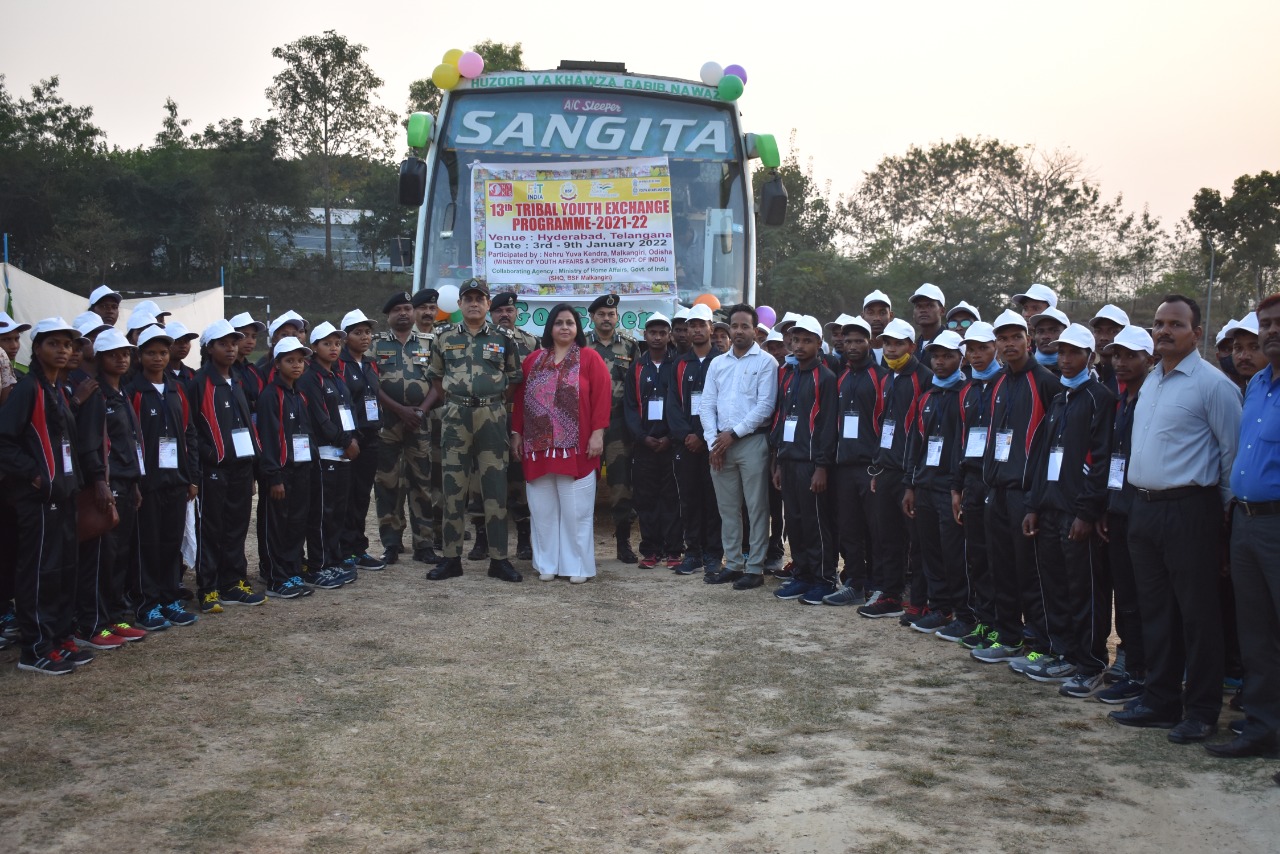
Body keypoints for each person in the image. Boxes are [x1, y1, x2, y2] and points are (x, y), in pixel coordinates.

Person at [1109, 295, 1242, 744]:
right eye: (1159, 324)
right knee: (1157, 611)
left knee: (1197, 615)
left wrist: (1220, 519)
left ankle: (1202, 711)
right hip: (1144, 508)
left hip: (1191, 509)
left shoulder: (1213, 385)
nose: (1164, 331)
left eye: (1175, 324)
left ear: (1197, 333)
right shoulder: (1152, 382)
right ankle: (1160, 699)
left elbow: (1231, 456)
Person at [1020, 323, 1115, 694]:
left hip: (1077, 514)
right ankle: (1063, 653)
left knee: (1085, 590)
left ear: (1090, 356)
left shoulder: (1099, 398)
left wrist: (1087, 512)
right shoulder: (1060, 397)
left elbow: (1102, 460)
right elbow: (1043, 457)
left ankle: (1089, 663)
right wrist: (1033, 505)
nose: (1065, 360)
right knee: (1056, 587)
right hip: (1050, 509)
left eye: (1074, 353)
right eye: (1061, 353)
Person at [1210, 293, 1280, 758]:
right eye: (1265, 324)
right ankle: (1263, 725)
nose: (1271, 331)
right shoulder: (1256, 386)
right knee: (1256, 632)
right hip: (1247, 521)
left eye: (1277, 323)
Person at [970, 310, 1061, 663]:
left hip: (1028, 494)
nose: (1009, 345)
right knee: (1001, 568)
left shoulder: (1046, 381)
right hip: (998, 491)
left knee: (1031, 574)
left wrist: (1038, 498)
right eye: (1002, 339)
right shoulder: (999, 384)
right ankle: (1007, 637)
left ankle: (1040, 644)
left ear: (1029, 339)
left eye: (1015, 337)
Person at [0, 318, 87, 673]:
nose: (63, 350)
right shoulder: (28, 389)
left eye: (68, 345)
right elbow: (4, 441)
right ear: (38, 349)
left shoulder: (57, 390)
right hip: (36, 499)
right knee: (39, 571)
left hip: (63, 495)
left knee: (64, 569)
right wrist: (35, 476)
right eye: (54, 344)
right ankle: (34, 649)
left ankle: (58, 637)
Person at [422, 279, 524, 583]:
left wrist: (492, 402)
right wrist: (458, 401)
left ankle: (499, 559)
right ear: (460, 304)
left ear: (488, 304)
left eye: (480, 298)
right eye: (468, 298)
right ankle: (451, 558)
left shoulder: (504, 338)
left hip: (492, 416)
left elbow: (514, 379)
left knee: (495, 488)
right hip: (456, 416)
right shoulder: (443, 337)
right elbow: (436, 378)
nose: (474, 303)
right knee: (453, 488)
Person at [510, 304, 611, 582]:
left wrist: (598, 433)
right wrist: (516, 433)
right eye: (559, 323)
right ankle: (546, 565)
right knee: (542, 512)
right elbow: (519, 401)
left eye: (570, 323)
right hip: (538, 448)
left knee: (575, 513)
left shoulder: (590, 359)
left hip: (577, 449)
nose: (565, 327)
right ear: (550, 328)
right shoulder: (533, 360)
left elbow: (602, 398)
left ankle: (577, 567)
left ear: (577, 329)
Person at [71, 328, 148, 647]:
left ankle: (114, 617)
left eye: (126, 353)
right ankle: (93, 624)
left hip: (127, 483)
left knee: (119, 556)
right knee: (101, 558)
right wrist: (100, 482)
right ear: (100, 358)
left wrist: (136, 482)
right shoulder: (96, 395)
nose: (121, 359)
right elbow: (90, 444)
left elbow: (129, 442)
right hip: (107, 485)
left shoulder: (122, 394)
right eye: (114, 354)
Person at [1094, 324, 1156, 706]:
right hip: (1118, 508)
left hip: (1146, 510)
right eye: (1117, 355)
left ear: (1149, 359)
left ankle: (1145, 670)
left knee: (1145, 596)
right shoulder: (1120, 400)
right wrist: (1105, 505)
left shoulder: (1151, 399)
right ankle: (1130, 664)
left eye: (1132, 355)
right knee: (1126, 596)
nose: (1122, 362)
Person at [188, 319, 266, 609]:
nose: (231, 348)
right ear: (210, 348)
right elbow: (192, 429)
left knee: (237, 526)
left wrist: (252, 459)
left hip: (241, 467)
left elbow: (247, 423)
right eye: (224, 343)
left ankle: (233, 582)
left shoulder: (239, 379)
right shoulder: (199, 382)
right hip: (214, 470)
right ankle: (207, 587)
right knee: (211, 529)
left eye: (234, 343)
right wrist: (210, 458)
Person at [700, 303, 778, 590]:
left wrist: (733, 434)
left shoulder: (766, 362)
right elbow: (707, 405)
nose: (739, 331)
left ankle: (755, 567)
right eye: (735, 326)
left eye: (745, 326)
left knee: (757, 507)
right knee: (728, 508)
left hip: (751, 442)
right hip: (720, 445)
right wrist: (714, 443)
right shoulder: (718, 363)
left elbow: (765, 407)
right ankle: (732, 563)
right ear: (728, 329)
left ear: (755, 330)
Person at [127, 325, 201, 628]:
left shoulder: (176, 389)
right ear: (140, 356)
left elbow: (189, 433)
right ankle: (147, 604)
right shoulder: (133, 391)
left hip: (177, 482)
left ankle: (170, 597)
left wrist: (192, 477)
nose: (158, 358)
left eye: (162, 352)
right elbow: (129, 440)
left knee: (171, 542)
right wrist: (135, 481)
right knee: (148, 544)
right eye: (151, 353)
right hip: (148, 484)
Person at [859, 318, 932, 620]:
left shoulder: (925, 377)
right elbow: (882, 425)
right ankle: (890, 594)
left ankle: (920, 601)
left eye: (898, 343)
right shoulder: (888, 377)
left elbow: (924, 432)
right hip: (886, 470)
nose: (891, 349)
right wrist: (877, 467)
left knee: (917, 542)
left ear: (912, 346)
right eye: (887, 343)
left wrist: (912, 478)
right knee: (886, 537)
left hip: (911, 474)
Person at [901, 331, 969, 633]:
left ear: (960, 358)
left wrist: (958, 486)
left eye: (947, 356)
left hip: (950, 488)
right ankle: (939, 608)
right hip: (925, 485)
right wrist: (911, 484)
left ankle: (962, 611)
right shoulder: (927, 396)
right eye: (936, 356)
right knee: (929, 551)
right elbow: (916, 442)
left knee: (954, 554)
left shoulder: (966, 393)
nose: (940, 362)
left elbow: (965, 446)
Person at [769, 315, 838, 603]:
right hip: (789, 460)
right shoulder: (788, 374)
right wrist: (777, 462)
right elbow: (781, 418)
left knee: (815, 522)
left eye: (806, 340)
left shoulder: (826, 378)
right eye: (795, 340)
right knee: (794, 521)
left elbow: (827, 426)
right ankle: (802, 574)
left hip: (812, 464)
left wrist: (821, 466)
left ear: (819, 344)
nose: (799, 345)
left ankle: (824, 578)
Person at [824, 317, 886, 606]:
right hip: (844, 466)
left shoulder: (882, 376)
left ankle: (880, 584)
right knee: (848, 528)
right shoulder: (842, 376)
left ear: (870, 342)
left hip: (872, 466)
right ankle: (855, 583)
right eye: (847, 341)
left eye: (858, 341)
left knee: (877, 529)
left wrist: (881, 462)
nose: (851, 346)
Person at [371, 292, 436, 565]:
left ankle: (424, 544)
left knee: (422, 482)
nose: (404, 313)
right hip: (388, 423)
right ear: (389, 315)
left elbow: (439, 382)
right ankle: (391, 543)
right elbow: (371, 384)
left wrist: (420, 410)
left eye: (408, 308)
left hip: (420, 423)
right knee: (387, 483)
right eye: (397, 309)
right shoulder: (376, 345)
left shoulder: (430, 343)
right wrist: (400, 410)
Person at [949, 322, 1002, 646]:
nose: (976, 354)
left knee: (998, 559)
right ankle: (984, 621)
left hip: (996, 483)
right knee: (977, 557)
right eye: (971, 349)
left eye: (982, 348)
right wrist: (957, 487)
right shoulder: (967, 390)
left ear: (994, 347)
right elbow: (960, 441)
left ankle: (1002, 625)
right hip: (971, 483)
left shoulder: (1003, 383)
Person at [297, 321, 360, 589]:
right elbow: (320, 419)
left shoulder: (335, 375)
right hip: (325, 454)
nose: (334, 348)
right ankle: (318, 564)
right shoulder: (310, 377)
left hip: (342, 453)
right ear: (314, 347)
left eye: (337, 343)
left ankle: (334, 560)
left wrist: (352, 438)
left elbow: (348, 410)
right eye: (327, 343)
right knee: (323, 512)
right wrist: (345, 440)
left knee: (337, 512)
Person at [256, 337, 316, 599]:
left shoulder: (299, 394)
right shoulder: (271, 395)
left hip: (301, 470)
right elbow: (268, 437)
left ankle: (291, 570)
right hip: (281, 473)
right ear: (277, 363)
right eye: (289, 360)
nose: (296, 366)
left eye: (300, 361)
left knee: (296, 523)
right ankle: (275, 576)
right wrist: (274, 476)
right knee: (277, 525)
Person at [667, 303, 724, 576]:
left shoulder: (723, 361)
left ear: (711, 328)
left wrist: (703, 437)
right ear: (687, 331)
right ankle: (693, 553)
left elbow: (725, 404)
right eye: (692, 325)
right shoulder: (679, 363)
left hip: (713, 444)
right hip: (685, 444)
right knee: (689, 499)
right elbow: (672, 405)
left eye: (702, 324)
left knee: (713, 499)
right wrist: (687, 436)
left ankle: (714, 553)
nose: (697, 330)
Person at [624, 313, 683, 569]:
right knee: (646, 499)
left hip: (672, 445)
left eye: (662, 333)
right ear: (644, 336)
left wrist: (670, 437)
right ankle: (650, 551)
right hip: (644, 445)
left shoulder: (679, 364)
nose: (657, 337)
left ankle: (673, 550)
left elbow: (682, 405)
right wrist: (642, 437)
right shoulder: (636, 368)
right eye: (652, 333)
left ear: (669, 336)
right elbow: (629, 407)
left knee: (672, 498)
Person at [586, 293, 641, 563]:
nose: (606, 319)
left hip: (619, 424)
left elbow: (637, 388)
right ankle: (582, 543)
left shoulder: (630, 347)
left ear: (617, 317)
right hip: (588, 425)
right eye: (601, 315)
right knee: (585, 484)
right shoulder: (580, 345)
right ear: (592, 317)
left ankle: (623, 542)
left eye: (611, 314)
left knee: (621, 485)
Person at [490, 291, 540, 560]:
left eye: (509, 310)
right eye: (499, 311)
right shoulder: (481, 340)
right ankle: (482, 540)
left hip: (519, 418)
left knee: (520, 480)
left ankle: (523, 539)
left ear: (516, 313)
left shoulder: (530, 342)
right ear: (491, 313)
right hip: (487, 417)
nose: (505, 315)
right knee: (485, 478)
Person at [336, 309, 386, 572]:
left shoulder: (370, 364)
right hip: (349, 441)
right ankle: (343, 549)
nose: (365, 337)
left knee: (362, 496)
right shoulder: (339, 365)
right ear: (346, 337)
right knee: (346, 497)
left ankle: (359, 547)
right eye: (358, 332)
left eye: (367, 332)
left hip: (371, 438)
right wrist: (347, 438)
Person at [228, 312, 268, 413]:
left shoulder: (256, 372)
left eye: (254, 336)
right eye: (245, 336)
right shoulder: (223, 372)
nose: (250, 341)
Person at [1089, 305, 1130, 394]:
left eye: (1112, 331)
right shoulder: (1090, 373)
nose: (1103, 338)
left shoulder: (1131, 378)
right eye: (1098, 331)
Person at [1028, 307, 1069, 374]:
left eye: (1054, 331)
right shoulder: (1023, 370)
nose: (1045, 336)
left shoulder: (1077, 372)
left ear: (1067, 334)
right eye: (1040, 331)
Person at [910, 283, 946, 355]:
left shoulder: (951, 343)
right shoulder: (912, 347)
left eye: (930, 306)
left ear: (942, 311)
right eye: (918, 306)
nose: (923, 310)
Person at [860, 290, 893, 366]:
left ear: (890, 316)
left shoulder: (901, 352)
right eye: (871, 313)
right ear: (863, 316)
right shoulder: (856, 352)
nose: (877, 318)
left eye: (882, 313)